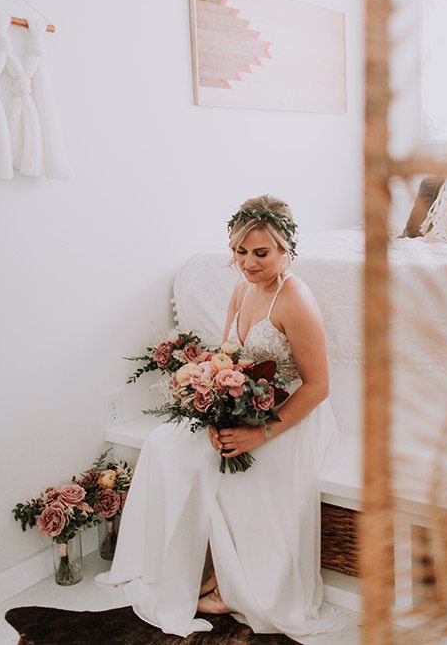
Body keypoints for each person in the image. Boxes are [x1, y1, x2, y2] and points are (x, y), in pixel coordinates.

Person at [95, 195, 344, 643]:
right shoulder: (241, 288)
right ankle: (182, 566)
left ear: (287, 249)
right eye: (239, 252)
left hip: (291, 415)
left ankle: (234, 584)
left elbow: (317, 386)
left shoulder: (296, 300)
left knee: (234, 468)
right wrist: (209, 400)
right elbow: (228, 356)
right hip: (247, 402)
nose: (248, 263)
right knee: (165, 445)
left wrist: (259, 433)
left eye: (261, 253)